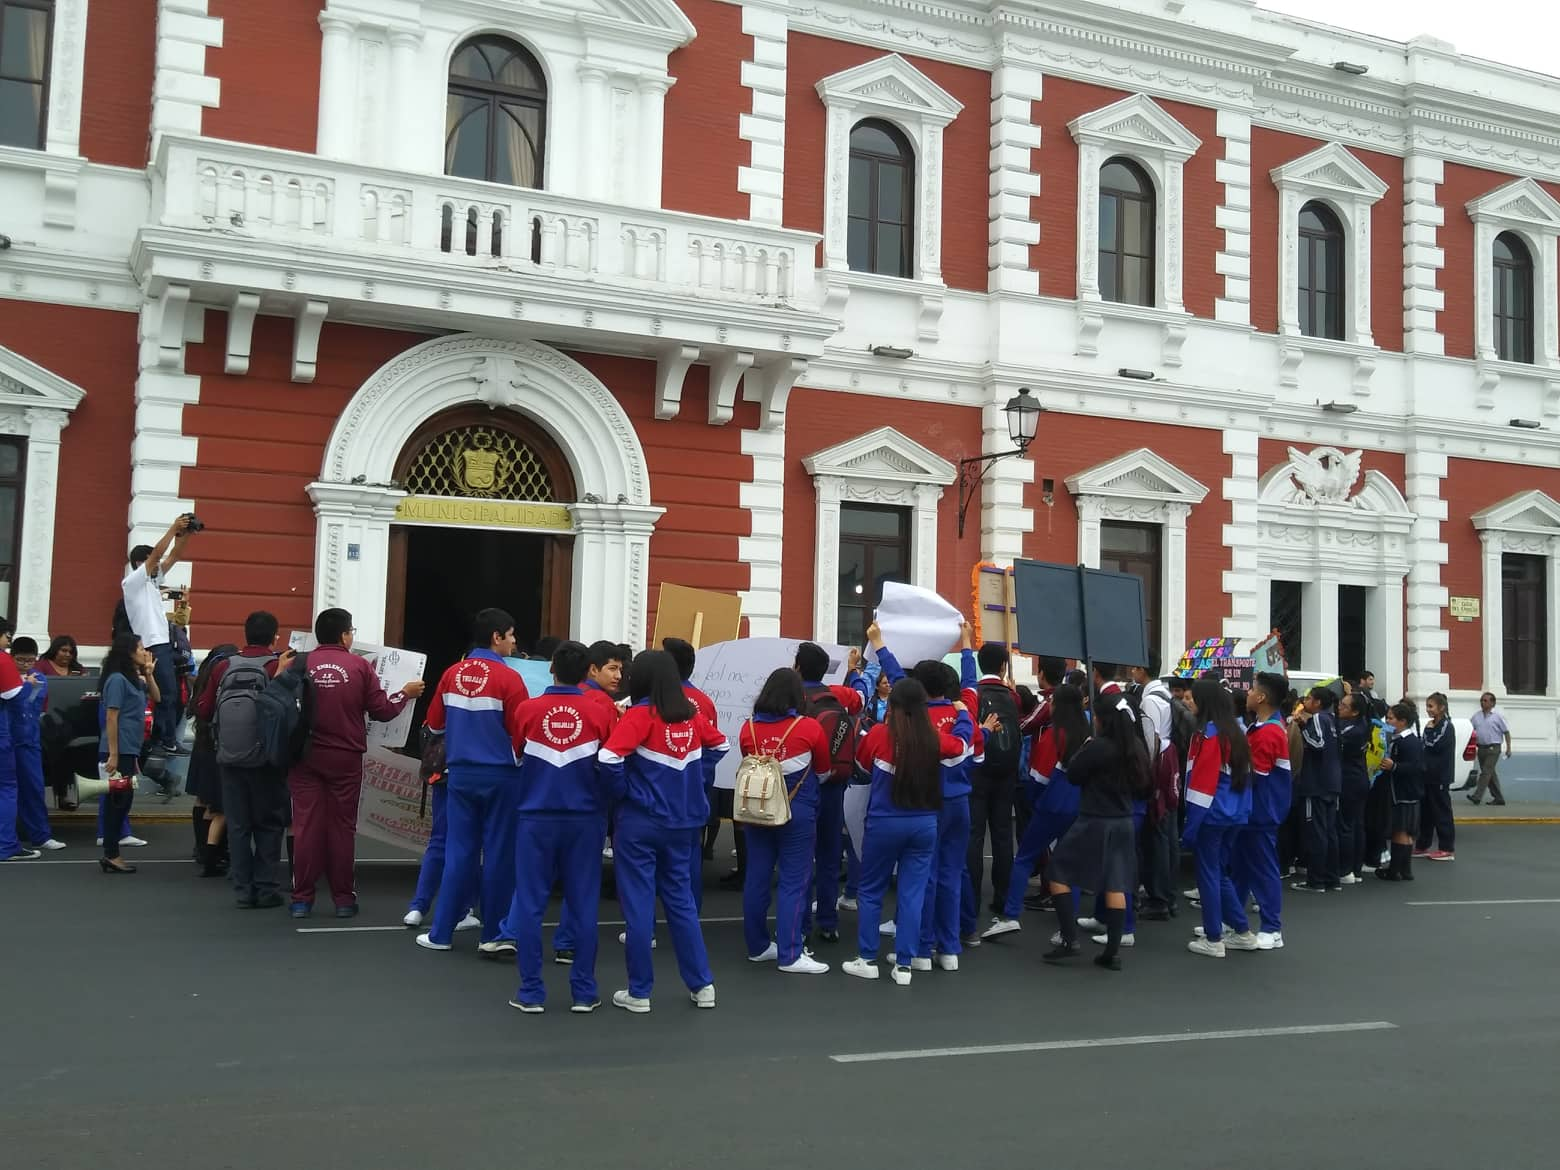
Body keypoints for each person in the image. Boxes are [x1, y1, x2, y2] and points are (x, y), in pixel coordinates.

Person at [599, 650, 728, 1013]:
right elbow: (722, 744)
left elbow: (608, 758)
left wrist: (626, 791)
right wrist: (695, 779)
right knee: (682, 902)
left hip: (641, 823)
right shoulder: (690, 715)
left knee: (639, 905)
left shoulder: (640, 715)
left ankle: (639, 991)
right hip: (684, 822)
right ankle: (703, 985)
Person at [290, 608, 424, 918]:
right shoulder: (360, 666)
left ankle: (301, 899)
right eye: (351, 631)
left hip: (304, 756)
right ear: (344, 635)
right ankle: (343, 900)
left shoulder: (299, 663)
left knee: (306, 827)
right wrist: (404, 694)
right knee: (341, 828)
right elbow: (382, 711)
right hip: (345, 758)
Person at [843, 678, 975, 986]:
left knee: (871, 890)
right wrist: (964, 714)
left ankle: (867, 958)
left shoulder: (878, 734)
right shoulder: (935, 739)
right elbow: (962, 746)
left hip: (883, 823)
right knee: (913, 892)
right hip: (925, 823)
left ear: (892, 706)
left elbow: (862, 763)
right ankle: (905, 963)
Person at [508, 640, 615, 1013]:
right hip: (585, 818)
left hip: (536, 817)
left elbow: (517, 755)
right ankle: (584, 992)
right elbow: (610, 762)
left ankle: (531, 992)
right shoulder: (601, 711)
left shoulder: (527, 709)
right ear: (589, 670)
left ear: (552, 668)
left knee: (532, 904)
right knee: (584, 903)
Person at [415, 608, 529, 951]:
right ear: (496, 637)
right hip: (503, 777)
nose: (514, 641)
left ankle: (441, 934)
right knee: (498, 853)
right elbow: (521, 731)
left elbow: (434, 726)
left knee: (459, 851)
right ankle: (495, 934)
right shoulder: (510, 680)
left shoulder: (451, 674)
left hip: (460, 775)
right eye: (511, 635)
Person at [1042, 683, 1152, 971]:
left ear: (1102, 719)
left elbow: (1074, 775)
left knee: (1058, 872)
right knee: (1117, 883)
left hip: (1094, 819)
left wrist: (1085, 749)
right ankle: (1112, 952)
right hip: (1124, 820)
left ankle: (1069, 939)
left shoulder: (1098, 747)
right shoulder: (1136, 748)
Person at [739, 668, 832, 974]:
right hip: (797, 810)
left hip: (756, 812)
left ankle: (757, 946)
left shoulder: (747, 728)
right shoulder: (808, 727)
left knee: (757, 876)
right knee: (795, 879)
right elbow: (824, 770)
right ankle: (790, 952)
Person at [198, 613, 290, 908]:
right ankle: (266, 889)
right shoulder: (278, 665)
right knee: (268, 824)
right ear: (274, 636)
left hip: (229, 757)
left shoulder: (223, 666)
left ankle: (243, 889)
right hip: (266, 760)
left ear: (245, 634)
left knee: (238, 826)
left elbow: (204, 708)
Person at [981, 658, 1075, 940]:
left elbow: (1037, 778)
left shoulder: (1051, 736)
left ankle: (1010, 914)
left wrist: (1034, 802)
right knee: (1069, 864)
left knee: (1023, 858)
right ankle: (1067, 928)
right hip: (1075, 807)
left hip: (1049, 806)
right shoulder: (1083, 733)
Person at [796, 638, 864, 944]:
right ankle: (828, 921)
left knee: (798, 857)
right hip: (835, 784)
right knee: (828, 854)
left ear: (797, 667)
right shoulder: (836, 695)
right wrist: (853, 671)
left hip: (802, 785)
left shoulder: (791, 696)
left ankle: (800, 924)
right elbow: (861, 697)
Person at [1182, 678, 1252, 958]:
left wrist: (1190, 827)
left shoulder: (1209, 736)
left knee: (1208, 875)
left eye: (1193, 698)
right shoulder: (1237, 731)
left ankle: (1214, 937)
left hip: (1213, 814)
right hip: (1234, 813)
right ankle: (1242, 930)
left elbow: (1201, 785)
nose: (1189, 702)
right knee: (1218, 873)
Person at [120, 515, 193, 754]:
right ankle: (164, 740)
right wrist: (173, 528)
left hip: (163, 643)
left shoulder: (152, 581)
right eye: (152, 559)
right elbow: (157, 556)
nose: (158, 562)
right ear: (141, 563)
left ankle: (165, 739)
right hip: (151, 645)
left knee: (173, 695)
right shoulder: (132, 582)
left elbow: (174, 556)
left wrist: (185, 535)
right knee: (166, 694)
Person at [1229, 673, 1291, 950]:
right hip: (1254, 810)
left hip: (1261, 811)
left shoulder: (1268, 731)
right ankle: (1233, 921)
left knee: (1264, 868)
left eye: (1252, 690)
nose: (1249, 694)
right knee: (1241, 868)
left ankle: (1272, 927)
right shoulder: (1264, 726)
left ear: (1262, 697)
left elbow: (1254, 774)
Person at [965, 639, 1021, 927]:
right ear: (1002, 667)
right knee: (1002, 836)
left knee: (974, 837)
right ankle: (1003, 897)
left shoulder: (973, 694)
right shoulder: (1013, 697)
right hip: (1007, 773)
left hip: (978, 771)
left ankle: (970, 903)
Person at [96, 634, 158, 874]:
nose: (145, 652)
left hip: (130, 748)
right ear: (128, 652)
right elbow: (112, 716)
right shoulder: (117, 680)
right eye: (141, 648)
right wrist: (113, 754)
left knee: (123, 803)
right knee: (117, 803)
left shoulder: (135, 679)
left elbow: (158, 697)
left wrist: (150, 673)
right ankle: (111, 854)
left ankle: (112, 853)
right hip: (118, 750)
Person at [184, 642, 238, 876]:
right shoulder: (225, 674)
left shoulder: (205, 675)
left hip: (202, 742)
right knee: (218, 803)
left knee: (202, 798)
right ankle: (212, 851)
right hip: (217, 742)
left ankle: (201, 847)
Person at [9, 637, 63, 853]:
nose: (25, 665)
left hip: (28, 740)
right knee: (7, 791)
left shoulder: (39, 677)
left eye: (30, 660)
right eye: (21, 660)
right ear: (12, 657)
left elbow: (32, 701)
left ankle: (41, 836)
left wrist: (24, 686)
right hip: (7, 738)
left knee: (33, 788)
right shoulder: (7, 675)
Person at [1291, 686, 1342, 893]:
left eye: (1309, 699)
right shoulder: (1332, 719)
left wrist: (1303, 728)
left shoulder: (1319, 718)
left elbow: (1318, 744)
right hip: (1331, 782)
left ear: (1318, 702)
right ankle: (1332, 878)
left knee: (1316, 832)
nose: (1306, 702)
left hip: (1316, 784)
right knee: (1329, 832)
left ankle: (1316, 880)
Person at [1377, 702, 1424, 881]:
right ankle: (1405, 870)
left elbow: (1416, 767)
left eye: (1390, 718)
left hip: (1404, 792)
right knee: (1406, 831)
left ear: (1402, 721)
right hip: (1405, 791)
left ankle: (1395, 869)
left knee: (1401, 830)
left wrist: (1394, 766)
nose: (1387, 721)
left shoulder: (1409, 742)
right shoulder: (1401, 739)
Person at [0, 624, 35, 862]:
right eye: (6, 636)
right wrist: (29, 684)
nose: (8, 641)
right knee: (6, 789)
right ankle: (6, 845)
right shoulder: (2, 661)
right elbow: (15, 697)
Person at [1336, 692, 1373, 883]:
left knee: (1347, 826)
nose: (1339, 708)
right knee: (1356, 825)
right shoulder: (1359, 725)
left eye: (1344, 705)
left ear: (1355, 711)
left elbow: (1335, 741)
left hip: (1351, 780)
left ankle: (1345, 870)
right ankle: (1356, 869)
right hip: (1357, 778)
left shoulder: (1354, 730)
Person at [1416, 693, 1457, 862]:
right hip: (1427, 775)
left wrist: (1427, 735)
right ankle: (1423, 844)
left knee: (1441, 812)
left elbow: (1433, 744)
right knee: (1426, 813)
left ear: (1442, 707)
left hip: (1440, 776)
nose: (1428, 710)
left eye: (1431, 706)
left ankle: (1446, 848)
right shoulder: (1429, 725)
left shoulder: (1446, 726)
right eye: (1427, 706)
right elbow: (1425, 741)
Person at [1468, 692, 1511, 806]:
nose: (1483, 702)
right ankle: (1499, 798)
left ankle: (1477, 796)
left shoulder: (1497, 717)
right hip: (1481, 748)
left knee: (1486, 772)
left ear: (1492, 703)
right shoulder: (1476, 716)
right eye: (1482, 700)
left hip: (1494, 748)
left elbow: (1506, 732)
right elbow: (1470, 730)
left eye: (1486, 700)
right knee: (1490, 774)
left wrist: (1508, 748)